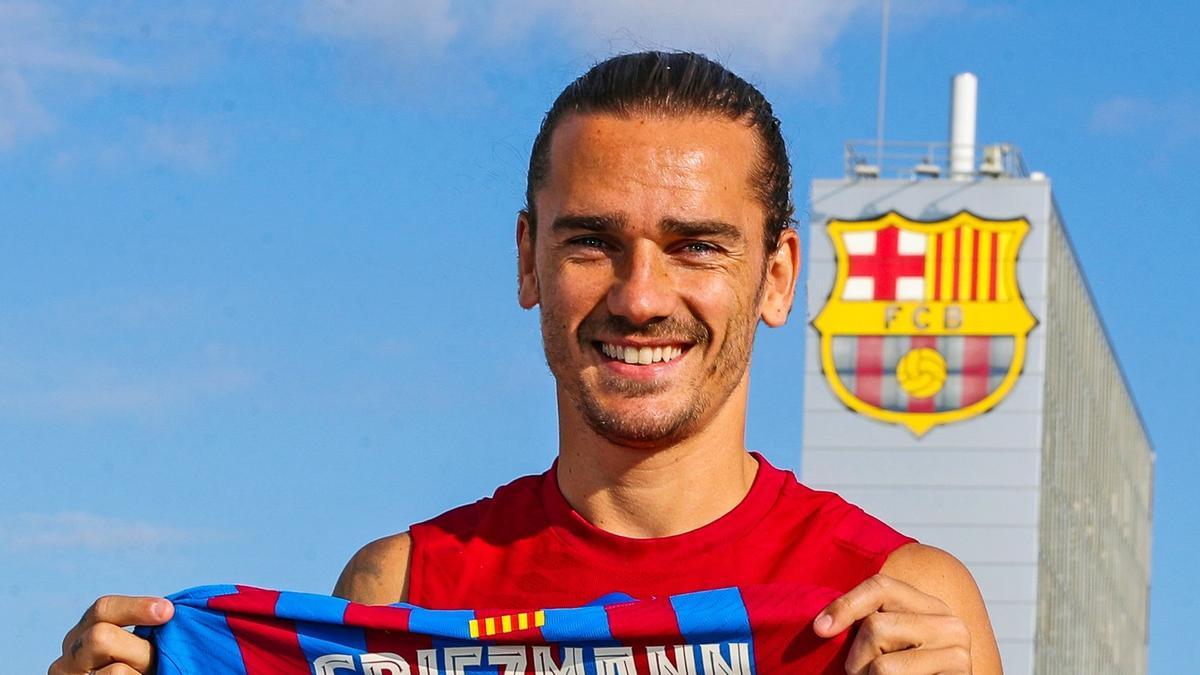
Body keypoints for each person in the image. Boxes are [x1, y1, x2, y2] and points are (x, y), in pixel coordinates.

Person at [51, 51, 1002, 675]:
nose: (640, 295)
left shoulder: (897, 603)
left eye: (697, 245)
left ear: (778, 274)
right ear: (526, 260)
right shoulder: (401, 589)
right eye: (592, 241)